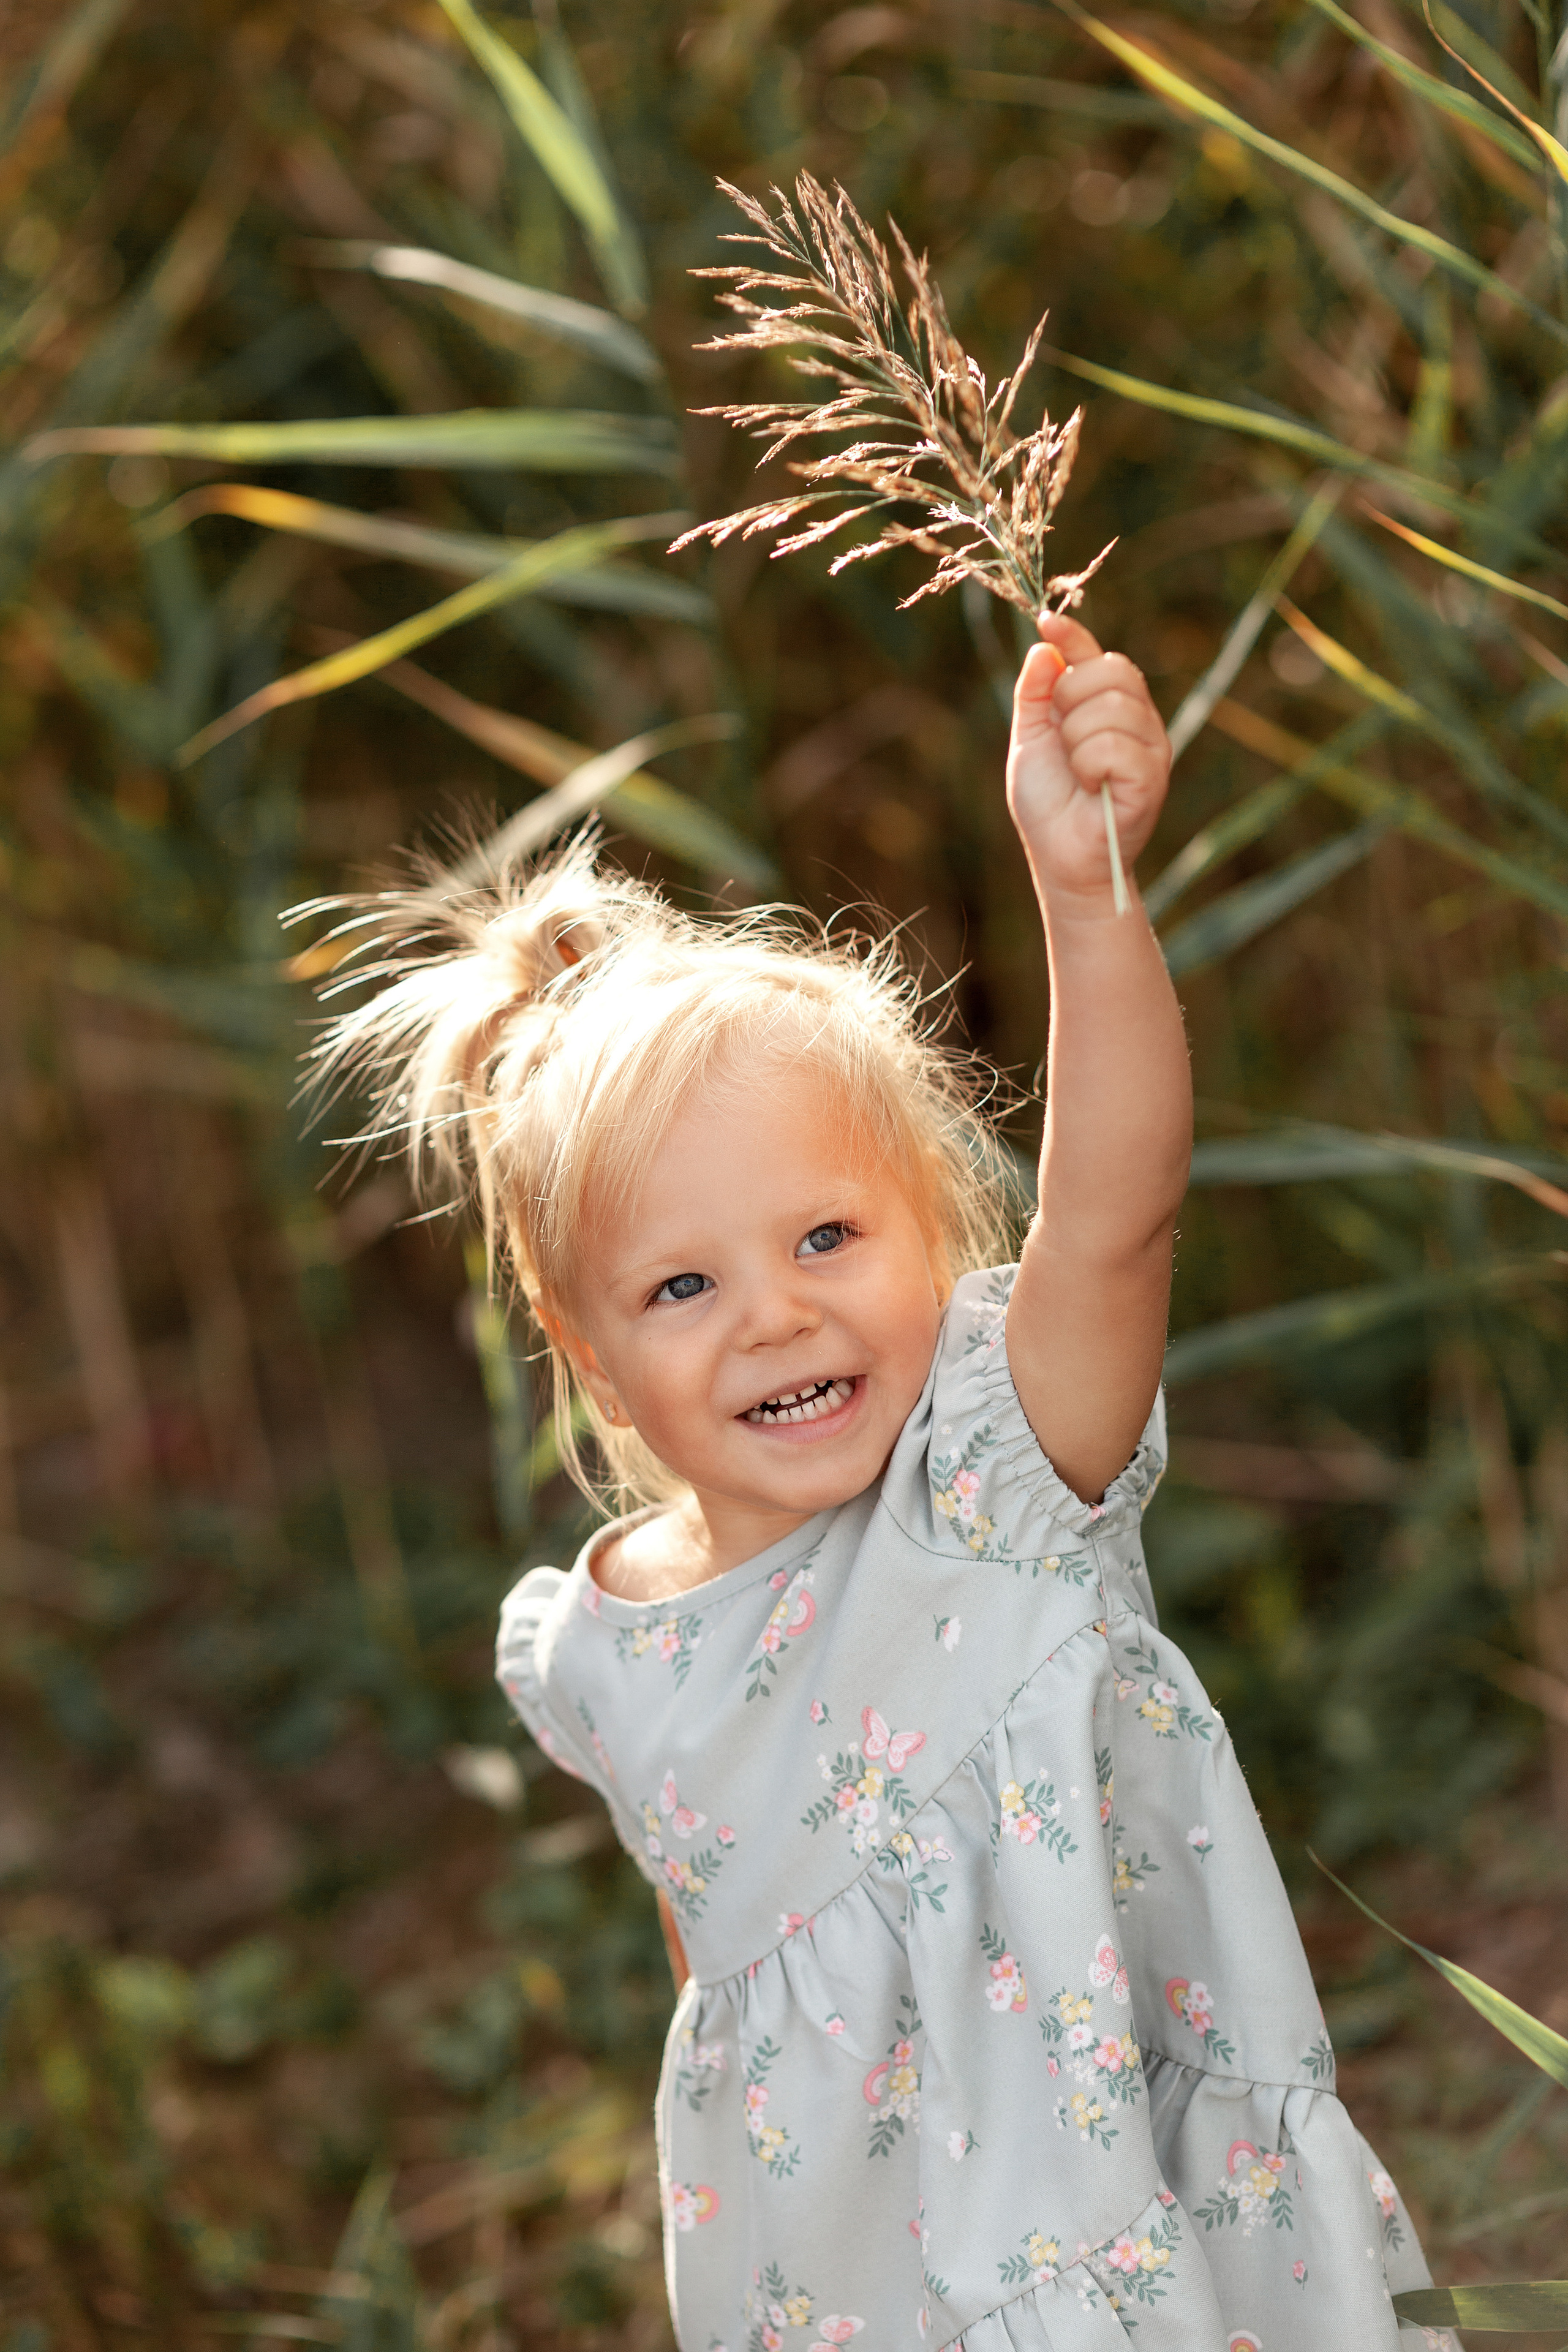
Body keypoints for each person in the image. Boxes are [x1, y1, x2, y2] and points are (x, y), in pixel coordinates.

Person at [303, 615, 1451, 2350]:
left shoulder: (994, 1480)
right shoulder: (606, 1651)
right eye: (684, 1286)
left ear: (932, 1230)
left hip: (1116, 2236)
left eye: (828, 1237)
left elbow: (1117, 1213)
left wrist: (1085, 893)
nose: (774, 1314)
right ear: (590, 1356)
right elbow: (727, 1962)